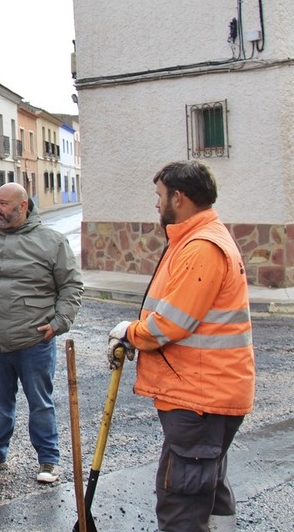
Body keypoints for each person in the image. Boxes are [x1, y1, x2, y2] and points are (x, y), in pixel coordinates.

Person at [107, 161, 254, 532]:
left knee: (182, 500)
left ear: (180, 197)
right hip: (210, 391)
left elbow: (170, 324)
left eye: (160, 196)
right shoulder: (198, 238)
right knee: (209, 486)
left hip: (198, 396)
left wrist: (129, 332)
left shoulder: (201, 247)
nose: (156, 204)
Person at [0, 182, 82, 484]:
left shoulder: (52, 242)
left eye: (4, 204)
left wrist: (58, 322)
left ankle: (49, 460)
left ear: (23, 206)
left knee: (40, 401)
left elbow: (71, 286)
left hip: (34, 341)